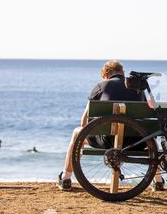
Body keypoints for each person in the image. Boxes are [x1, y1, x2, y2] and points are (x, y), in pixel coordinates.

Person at [57, 60, 145, 191]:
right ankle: (158, 181)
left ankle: (65, 178)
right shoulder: (138, 88)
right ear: (122, 72)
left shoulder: (101, 86)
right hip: (136, 141)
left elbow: (84, 122)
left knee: (77, 133)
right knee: (152, 140)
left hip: (107, 141)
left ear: (107, 74)